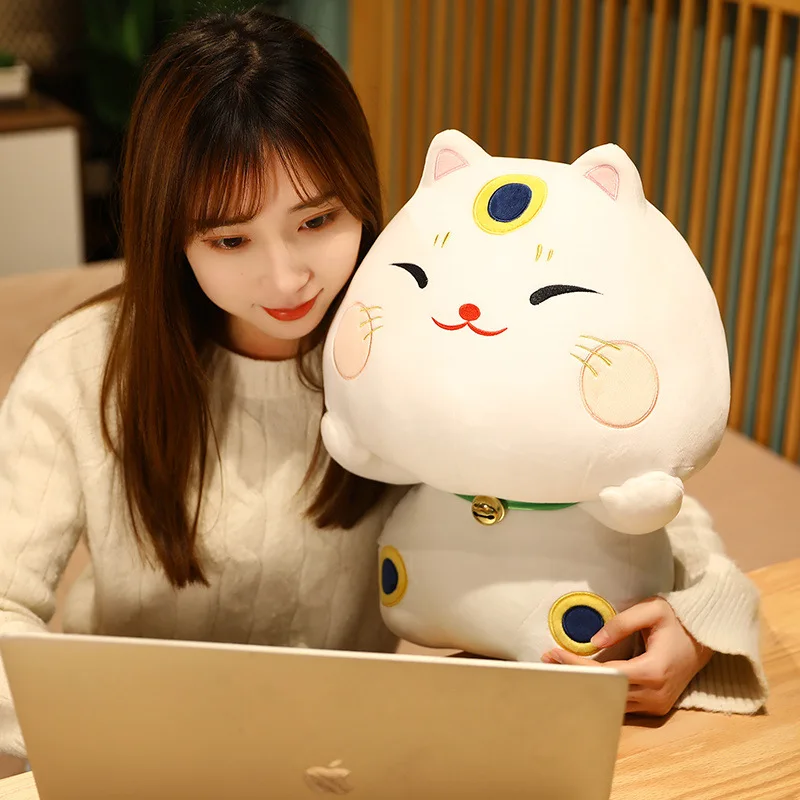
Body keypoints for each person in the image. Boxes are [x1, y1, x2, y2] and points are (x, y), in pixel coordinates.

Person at [0, 7, 765, 759]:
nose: (286, 278)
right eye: (230, 239)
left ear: (362, 197)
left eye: (316, 221)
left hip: (342, 759)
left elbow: (634, 485)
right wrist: (86, 734)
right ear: (169, 233)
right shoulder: (84, 366)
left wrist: (698, 625)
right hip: (129, 756)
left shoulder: (414, 338)